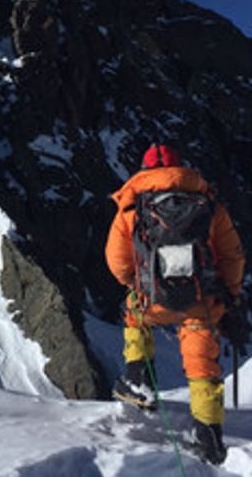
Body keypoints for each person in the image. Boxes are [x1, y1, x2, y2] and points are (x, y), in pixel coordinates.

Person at [105, 143, 247, 465]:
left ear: (144, 170)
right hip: (202, 299)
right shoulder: (208, 204)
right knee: (201, 363)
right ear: (180, 169)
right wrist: (231, 294)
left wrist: (135, 285)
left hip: (152, 298)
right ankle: (209, 435)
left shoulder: (132, 206)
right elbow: (232, 255)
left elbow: (116, 261)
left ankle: (139, 381)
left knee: (134, 318)